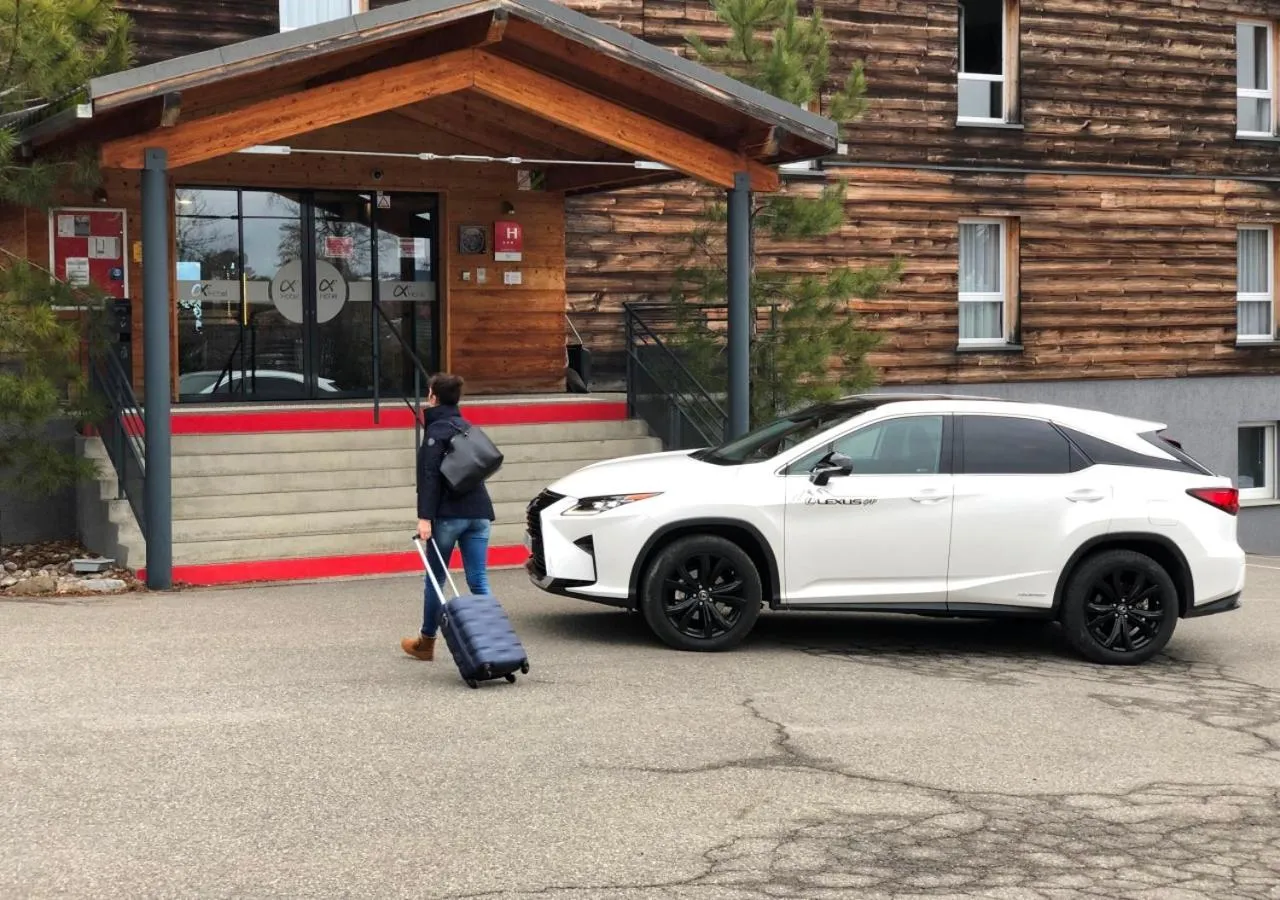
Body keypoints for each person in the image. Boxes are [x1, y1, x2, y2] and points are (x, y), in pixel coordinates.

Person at [401, 373, 496, 661]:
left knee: (435, 579)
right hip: (479, 512)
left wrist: (425, 517)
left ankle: (426, 642)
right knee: (478, 579)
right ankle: (493, 640)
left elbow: (429, 477)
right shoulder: (467, 427)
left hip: (447, 515)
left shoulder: (436, 433)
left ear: (433, 396)